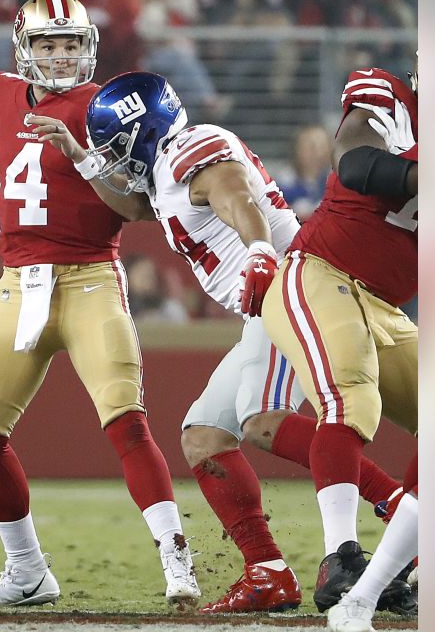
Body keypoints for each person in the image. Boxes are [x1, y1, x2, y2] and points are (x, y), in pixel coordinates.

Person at [30, 71, 405, 614]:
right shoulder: (164, 171)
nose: (110, 157)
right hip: (269, 304)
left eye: (113, 147)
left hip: (286, 290)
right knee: (204, 437)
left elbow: (235, 193)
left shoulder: (190, 151)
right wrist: (82, 157)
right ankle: (267, 570)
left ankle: (395, 504)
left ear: (140, 132)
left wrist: (257, 248)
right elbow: (136, 207)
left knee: (261, 420)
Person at [0, 0, 200, 610]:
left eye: (71, 42)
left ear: (88, 47)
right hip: (19, 285)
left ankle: (178, 565)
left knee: (126, 422)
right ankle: (26, 570)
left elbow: (137, 209)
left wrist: (81, 155)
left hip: (90, 280)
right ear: (25, 47)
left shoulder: (108, 110)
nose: (61, 54)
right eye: (49, 43)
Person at [259, 63, 418, 631]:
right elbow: (356, 162)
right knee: (350, 395)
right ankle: (341, 559)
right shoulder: (388, 94)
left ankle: (414, 560)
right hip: (323, 271)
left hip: (387, 305)